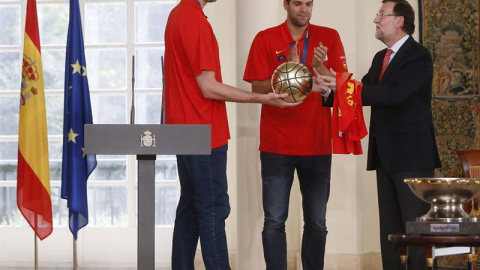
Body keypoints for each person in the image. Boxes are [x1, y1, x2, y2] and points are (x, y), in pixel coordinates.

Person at [163, 0, 307, 269]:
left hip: (185, 129)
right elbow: (208, 87)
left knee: (191, 209)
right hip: (203, 130)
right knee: (213, 207)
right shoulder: (193, 19)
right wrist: (261, 98)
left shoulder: (178, 14)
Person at [317, 0, 441, 269]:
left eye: (381, 15)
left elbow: (394, 95)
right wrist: (330, 90)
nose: (375, 20)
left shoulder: (418, 56)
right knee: (391, 234)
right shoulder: (379, 58)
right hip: (385, 155)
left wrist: (344, 87)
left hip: (412, 157)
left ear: (399, 21)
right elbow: (359, 93)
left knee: (415, 232)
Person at [243, 0, 349, 269]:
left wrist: (321, 67)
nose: (304, 9)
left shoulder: (329, 37)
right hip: (276, 143)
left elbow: (342, 88)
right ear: (286, 5)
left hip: (317, 143)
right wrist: (285, 72)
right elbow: (256, 87)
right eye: (298, 3)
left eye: (309, 4)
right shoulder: (265, 38)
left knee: (316, 221)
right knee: (275, 220)